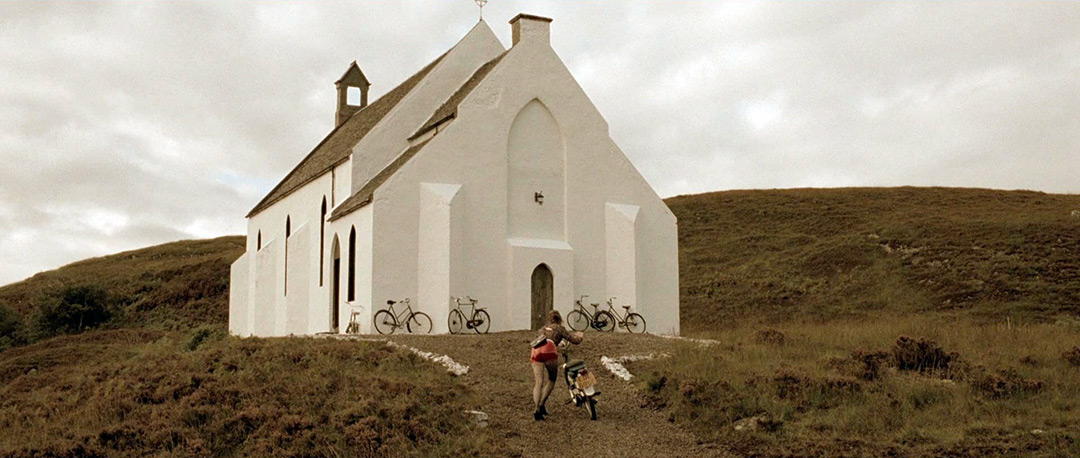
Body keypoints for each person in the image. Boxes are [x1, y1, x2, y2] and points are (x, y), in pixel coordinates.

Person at [530, 310, 583, 420]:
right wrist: (580, 336)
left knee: (538, 382)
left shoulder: (543, 329)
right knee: (551, 379)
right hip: (549, 350)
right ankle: (542, 404)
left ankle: (536, 410)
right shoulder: (559, 328)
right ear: (559, 319)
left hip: (536, 350)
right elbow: (574, 340)